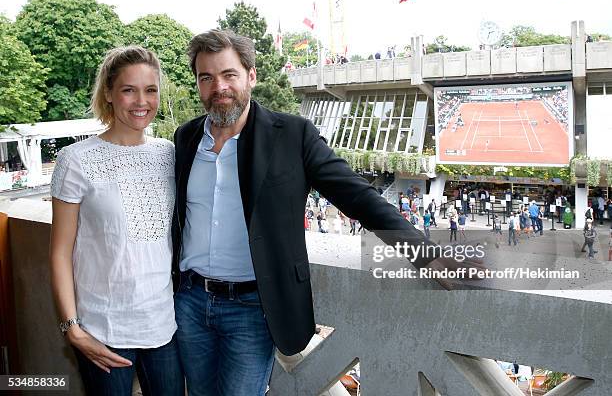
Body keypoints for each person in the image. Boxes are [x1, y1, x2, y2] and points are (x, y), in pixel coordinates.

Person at [172, 29, 480, 395]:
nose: (218, 86)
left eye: (228, 74)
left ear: (251, 76)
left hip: (251, 309)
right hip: (189, 302)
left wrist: (425, 253)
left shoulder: (292, 135)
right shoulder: (186, 137)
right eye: (206, 77)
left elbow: (358, 197)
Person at [49, 46, 184, 395]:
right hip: (102, 329)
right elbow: (60, 252)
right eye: (129, 89)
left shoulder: (167, 154)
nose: (142, 101)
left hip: (162, 326)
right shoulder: (75, 160)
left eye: (150, 90)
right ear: (108, 93)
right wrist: (72, 328)